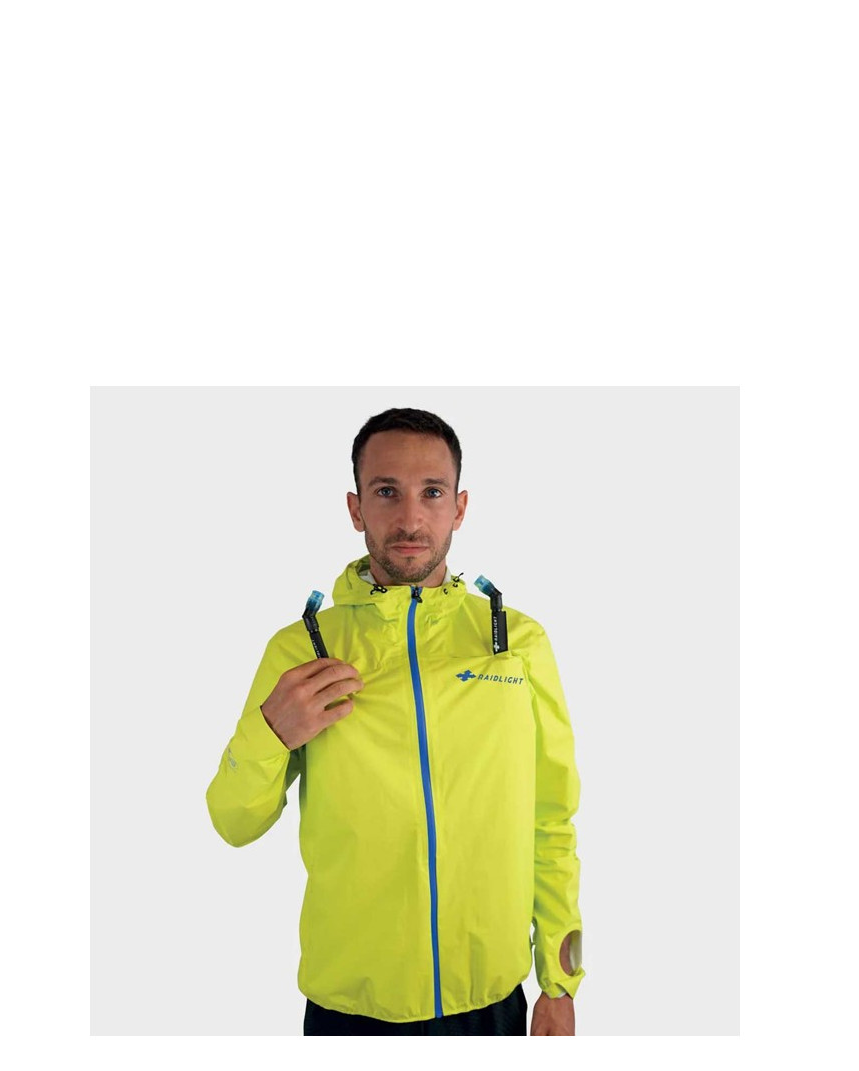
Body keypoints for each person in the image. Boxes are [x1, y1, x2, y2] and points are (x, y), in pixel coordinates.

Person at [205, 408, 584, 1035]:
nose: (410, 519)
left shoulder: (517, 644)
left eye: (432, 492)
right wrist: (269, 734)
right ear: (356, 509)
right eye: (387, 492)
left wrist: (561, 980)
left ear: (460, 507)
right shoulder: (303, 649)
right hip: (349, 1008)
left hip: (489, 999)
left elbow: (552, 819)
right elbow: (232, 821)